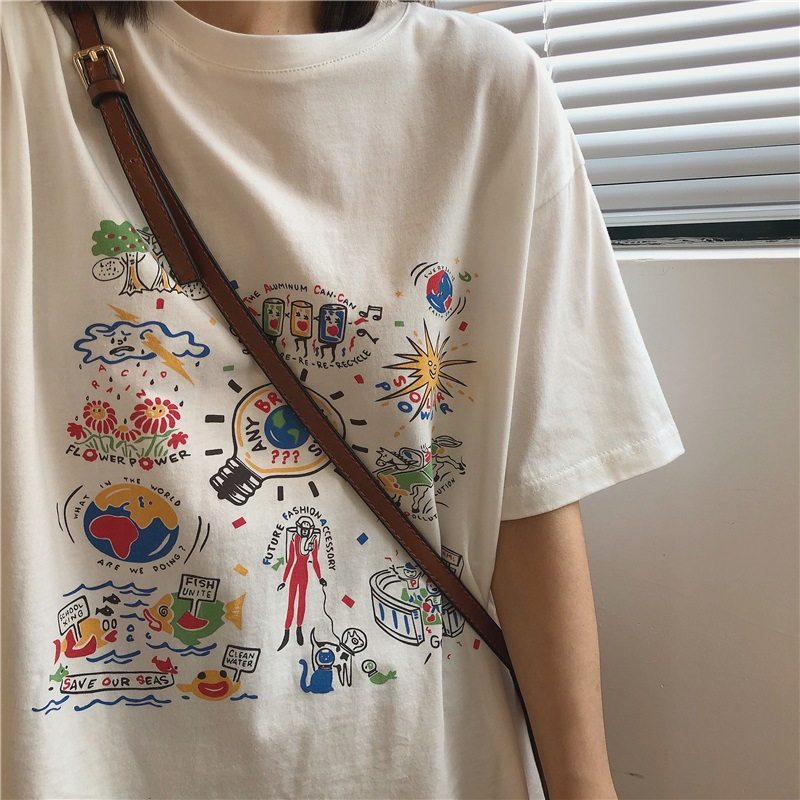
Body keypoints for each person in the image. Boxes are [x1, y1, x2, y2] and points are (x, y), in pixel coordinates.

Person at [0, 1, 686, 798]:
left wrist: (585, 788)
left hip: (425, 764)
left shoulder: (485, 88)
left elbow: (529, 493)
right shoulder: (22, 56)